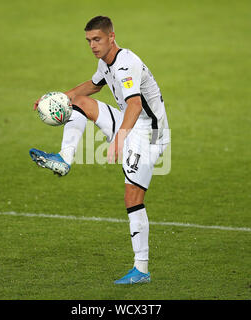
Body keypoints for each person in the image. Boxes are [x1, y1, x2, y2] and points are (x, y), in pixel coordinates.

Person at [29, 16, 170, 284]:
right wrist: (57, 98)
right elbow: (93, 86)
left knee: (133, 197)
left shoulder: (125, 65)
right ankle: (64, 158)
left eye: (97, 40)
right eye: (89, 41)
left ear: (111, 36)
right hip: (131, 123)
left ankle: (141, 269)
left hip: (148, 135)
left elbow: (136, 105)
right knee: (79, 103)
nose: (93, 45)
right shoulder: (105, 62)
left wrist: (120, 139)